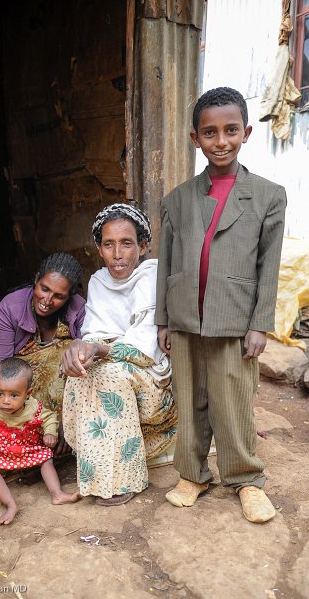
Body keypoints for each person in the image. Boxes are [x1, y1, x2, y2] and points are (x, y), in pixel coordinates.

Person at [156, 87, 286, 523]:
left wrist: (260, 324)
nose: (221, 141)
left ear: (246, 132)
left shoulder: (268, 195)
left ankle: (246, 480)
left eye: (231, 130)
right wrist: (163, 319)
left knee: (233, 400)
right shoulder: (177, 198)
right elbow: (166, 264)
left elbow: (269, 266)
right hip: (185, 316)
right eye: (209, 132)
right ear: (195, 138)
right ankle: (193, 474)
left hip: (234, 316)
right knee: (190, 399)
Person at [62, 203, 178, 506]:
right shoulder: (99, 281)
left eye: (126, 243)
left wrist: (99, 349)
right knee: (79, 373)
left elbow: (145, 349)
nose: (117, 254)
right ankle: (98, 470)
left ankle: (125, 479)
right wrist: (81, 349)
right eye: (108, 244)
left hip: (154, 380)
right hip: (115, 362)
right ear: (99, 249)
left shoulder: (151, 276)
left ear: (142, 246)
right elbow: (92, 334)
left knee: (110, 374)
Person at [0, 252, 85, 455]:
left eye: (59, 296)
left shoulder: (79, 308)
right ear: (36, 279)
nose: (47, 300)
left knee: (69, 358)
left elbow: (86, 360)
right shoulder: (11, 306)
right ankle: (29, 442)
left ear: (69, 297)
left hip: (66, 392)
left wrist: (68, 422)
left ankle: (62, 435)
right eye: (44, 289)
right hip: (23, 387)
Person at [0, 357, 81, 525]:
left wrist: (50, 432)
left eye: (14, 395)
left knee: (46, 459)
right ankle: (10, 504)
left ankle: (57, 493)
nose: (5, 401)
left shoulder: (33, 407)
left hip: (26, 447)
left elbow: (50, 417)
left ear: (27, 394)